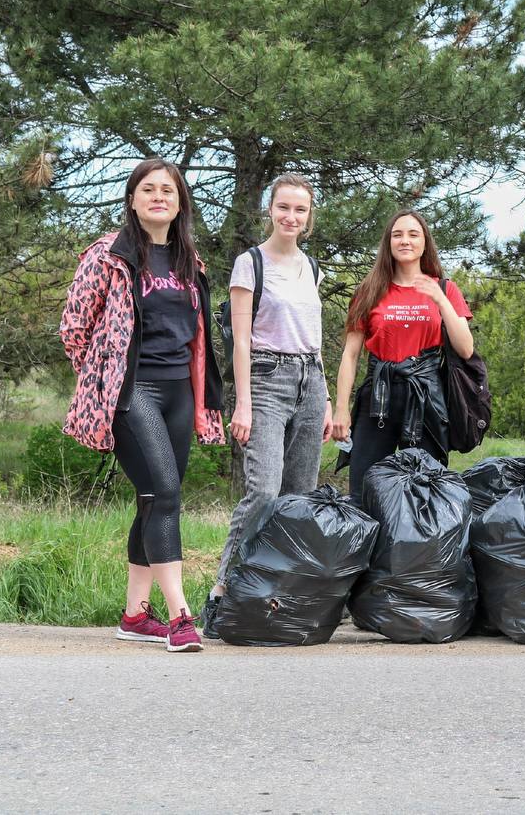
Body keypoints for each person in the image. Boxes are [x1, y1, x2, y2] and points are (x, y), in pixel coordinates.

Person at [60, 158, 225, 652]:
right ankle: (180, 616)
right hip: (134, 393)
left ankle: (134, 615)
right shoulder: (107, 255)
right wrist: (103, 378)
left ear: (180, 203)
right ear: (132, 199)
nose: (158, 197)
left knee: (152, 499)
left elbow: (197, 337)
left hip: (179, 392)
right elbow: (74, 328)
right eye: (148, 189)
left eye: (168, 191)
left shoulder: (188, 262)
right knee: (167, 492)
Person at [201, 174, 332, 639]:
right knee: (264, 491)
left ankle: (282, 602)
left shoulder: (313, 268)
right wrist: (243, 405)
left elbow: (314, 342)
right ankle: (222, 592)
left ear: (309, 216)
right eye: (283, 208)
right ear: (270, 210)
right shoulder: (249, 264)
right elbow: (239, 342)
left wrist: (328, 399)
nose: (291, 217)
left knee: (301, 498)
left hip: (311, 383)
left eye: (300, 210)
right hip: (266, 379)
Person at [332, 209, 473, 504]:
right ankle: (367, 548)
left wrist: (439, 299)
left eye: (413, 234)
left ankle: (424, 549)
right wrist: (341, 410)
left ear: (425, 242)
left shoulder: (445, 288)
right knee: (364, 487)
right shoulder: (369, 290)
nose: (405, 241)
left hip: (426, 396)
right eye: (398, 234)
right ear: (388, 243)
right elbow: (351, 354)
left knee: (427, 489)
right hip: (377, 397)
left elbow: (465, 348)